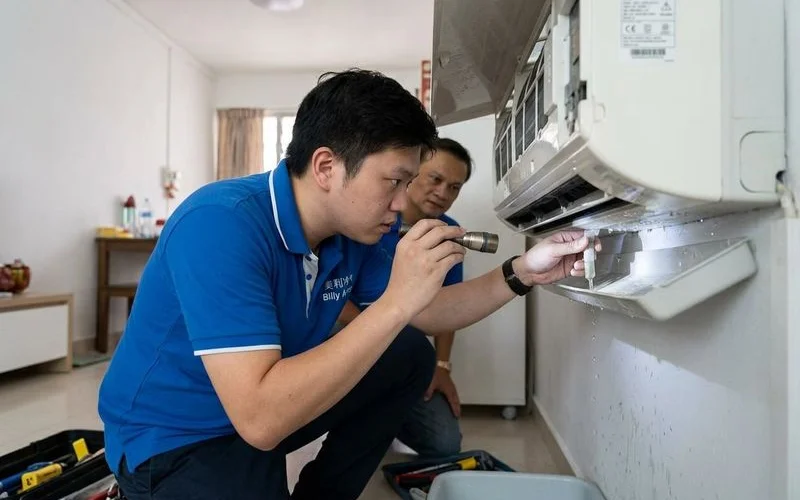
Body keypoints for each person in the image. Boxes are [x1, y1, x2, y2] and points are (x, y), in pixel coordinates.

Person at [97, 69, 597, 500]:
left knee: (408, 355)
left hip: (260, 412)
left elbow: (430, 310)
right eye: (394, 182)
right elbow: (261, 419)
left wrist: (523, 272)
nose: (404, 203)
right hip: (178, 437)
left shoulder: (356, 229)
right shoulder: (219, 224)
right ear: (326, 167)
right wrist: (394, 305)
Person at [335, 137, 474, 458]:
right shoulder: (367, 221)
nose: (443, 193)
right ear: (411, 174)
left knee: (445, 445)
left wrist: (441, 367)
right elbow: (332, 294)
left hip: (408, 346)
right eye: (435, 179)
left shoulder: (447, 233)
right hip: (349, 333)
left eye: (454, 187)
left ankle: (392, 415)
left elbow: (450, 304)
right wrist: (376, 330)